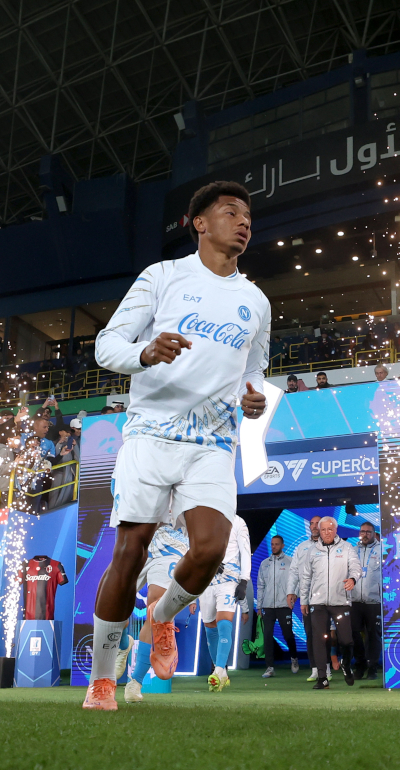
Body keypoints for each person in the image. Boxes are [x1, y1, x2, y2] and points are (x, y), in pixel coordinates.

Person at [82, 180, 269, 711]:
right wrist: (145, 353)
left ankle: (160, 618)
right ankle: (101, 682)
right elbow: (106, 345)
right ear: (199, 224)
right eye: (230, 211)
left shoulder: (256, 301)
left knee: (209, 550)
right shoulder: (162, 276)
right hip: (151, 430)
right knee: (129, 550)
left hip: (214, 438)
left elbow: (254, 371)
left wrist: (253, 400)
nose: (244, 221)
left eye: (248, 216)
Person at [124, 516, 197, 703]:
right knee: (117, 608)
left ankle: (136, 682)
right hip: (137, 538)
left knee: (155, 609)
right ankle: (124, 644)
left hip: (170, 540)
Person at [295, 516, 360, 689]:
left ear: (336, 530)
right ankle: (322, 677)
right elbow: (306, 577)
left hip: (341, 601)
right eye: (323, 529)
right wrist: (304, 600)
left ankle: (346, 664)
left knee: (346, 640)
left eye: (330, 529)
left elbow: (356, 567)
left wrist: (353, 578)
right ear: (319, 531)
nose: (326, 532)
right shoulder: (312, 551)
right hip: (318, 602)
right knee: (318, 639)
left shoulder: (347, 548)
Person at [200, 514, 251, 691]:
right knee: (209, 626)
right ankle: (222, 675)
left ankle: (218, 669)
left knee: (224, 623)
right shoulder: (202, 518)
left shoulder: (238, 521)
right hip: (206, 580)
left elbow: (245, 550)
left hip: (229, 578)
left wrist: (244, 580)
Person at [256, 534, 300, 677]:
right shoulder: (264, 563)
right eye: (272, 544)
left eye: (276, 544)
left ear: (282, 546)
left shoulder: (290, 562)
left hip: (284, 605)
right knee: (267, 635)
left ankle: (294, 658)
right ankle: (269, 667)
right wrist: (259, 606)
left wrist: (294, 596)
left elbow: (297, 581)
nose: (273, 546)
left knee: (287, 634)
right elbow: (261, 585)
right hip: (268, 605)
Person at [287, 517, 323, 680]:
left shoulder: (332, 545)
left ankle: (328, 666)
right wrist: (291, 592)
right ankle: (315, 668)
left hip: (328, 598)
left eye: (318, 524)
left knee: (328, 635)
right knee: (310, 633)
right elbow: (294, 571)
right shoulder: (301, 547)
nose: (314, 527)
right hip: (307, 598)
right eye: (312, 524)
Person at [350, 521, 382, 681]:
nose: (365, 534)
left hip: (374, 601)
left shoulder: (382, 550)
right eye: (362, 531)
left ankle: (372, 668)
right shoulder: (352, 551)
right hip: (355, 601)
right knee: (354, 634)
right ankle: (360, 665)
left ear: (374, 533)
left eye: (368, 532)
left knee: (373, 636)